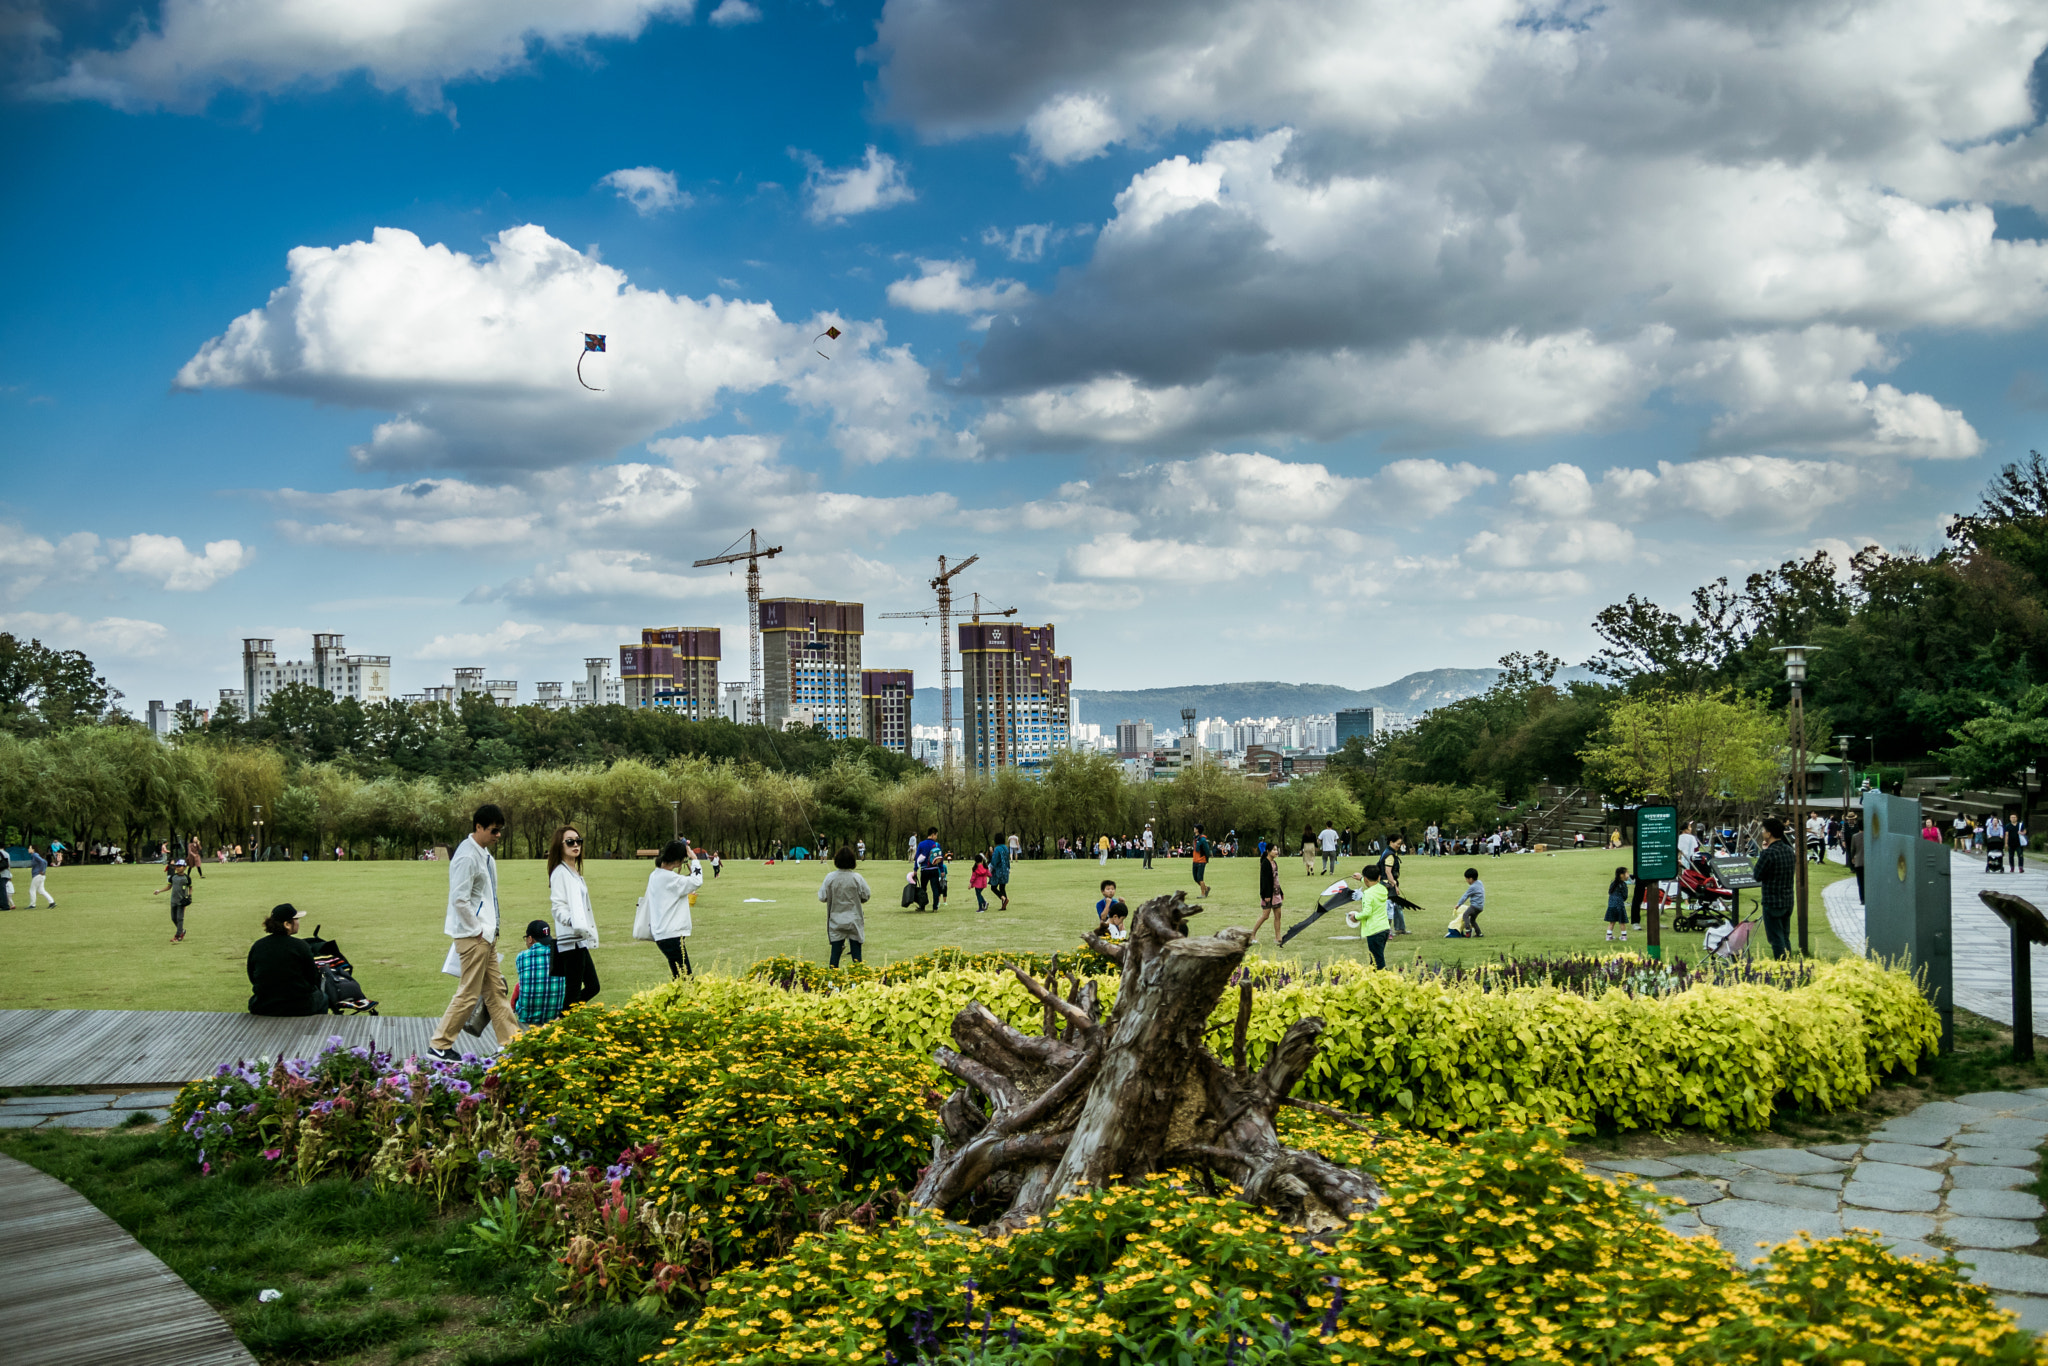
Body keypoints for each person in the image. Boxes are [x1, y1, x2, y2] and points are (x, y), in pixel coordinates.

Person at [430, 805, 520, 1062]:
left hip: (486, 936)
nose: (498, 835)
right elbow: (459, 899)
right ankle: (439, 1045)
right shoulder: (467, 856)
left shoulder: (483, 853)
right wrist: (477, 930)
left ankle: (511, 1043)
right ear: (478, 827)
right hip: (474, 937)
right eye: (494, 830)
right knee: (469, 993)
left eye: (500, 830)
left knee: (495, 991)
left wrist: (490, 930)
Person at [548, 825, 601, 1007]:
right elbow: (557, 907)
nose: (575, 845)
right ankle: (563, 1025)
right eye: (570, 842)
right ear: (560, 845)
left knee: (593, 986)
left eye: (578, 841)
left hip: (580, 938)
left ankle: (566, 1021)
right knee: (573, 989)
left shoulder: (574, 873)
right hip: (570, 938)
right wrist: (572, 921)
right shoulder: (560, 873)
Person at [246, 903, 327, 1015]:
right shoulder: (301, 946)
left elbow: (253, 977)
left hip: (263, 1006)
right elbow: (312, 978)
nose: (298, 922)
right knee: (324, 998)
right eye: (296, 919)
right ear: (287, 924)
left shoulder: (258, 946)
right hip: (300, 1006)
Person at [645, 838, 703, 978]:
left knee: (680, 978)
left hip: (662, 934)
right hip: (671, 935)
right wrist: (694, 860)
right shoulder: (670, 879)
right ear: (677, 861)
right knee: (686, 980)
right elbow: (697, 881)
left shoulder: (655, 875)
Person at [818, 846, 870, 966]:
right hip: (854, 920)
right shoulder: (857, 878)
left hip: (836, 921)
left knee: (835, 956)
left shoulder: (830, 877)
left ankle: (832, 983)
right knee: (857, 957)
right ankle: (857, 982)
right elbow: (866, 896)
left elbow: (822, 897)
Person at [1755, 817, 1797, 960]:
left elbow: (1757, 875)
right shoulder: (1789, 851)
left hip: (1772, 901)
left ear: (1769, 833)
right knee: (1785, 936)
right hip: (1788, 900)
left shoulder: (1768, 853)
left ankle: (1783, 966)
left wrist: (1763, 852)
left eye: (1763, 830)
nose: (1762, 832)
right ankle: (1789, 964)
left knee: (1775, 938)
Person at [510, 920, 566, 1025]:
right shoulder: (561, 954)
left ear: (530, 939)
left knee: (519, 987)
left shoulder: (522, 957)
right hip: (556, 1016)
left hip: (528, 1018)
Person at [1353, 864, 1391, 969]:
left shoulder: (1368, 893)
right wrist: (1361, 878)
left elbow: (1367, 913)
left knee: (1378, 962)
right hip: (1384, 929)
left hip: (1374, 931)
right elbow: (1374, 884)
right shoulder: (1383, 889)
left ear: (1366, 879)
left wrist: (1355, 916)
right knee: (1374, 960)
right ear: (1379, 877)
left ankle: (1385, 981)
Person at [1250, 843, 1285, 945]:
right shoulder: (1265, 863)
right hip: (1268, 895)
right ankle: (1252, 934)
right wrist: (1266, 895)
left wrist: (1281, 892)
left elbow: (1276, 879)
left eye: (1276, 849)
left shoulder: (1274, 863)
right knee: (1265, 915)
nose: (1276, 851)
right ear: (1268, 851)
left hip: (1276, 893)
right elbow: (1264, 881)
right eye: (1274, 850)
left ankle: (1278, 937)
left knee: (1278, 915)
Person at [152, 858, 193, 942]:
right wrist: (159, 891)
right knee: (173, 918)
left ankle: (178, 936)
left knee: (180, 918)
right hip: (173, 900)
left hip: (182, 901)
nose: (178, 868)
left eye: (180, 866)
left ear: (185, 867)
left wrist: (189, 896)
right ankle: (181, 931)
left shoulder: (187, 878)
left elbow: (190, 887)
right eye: (177, 866)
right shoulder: (173, 877)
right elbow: (168, 887)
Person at [1376, 838, 1408, 935]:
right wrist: (1394, 885)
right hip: (1387, 884)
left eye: (1400, 844)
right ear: (1391, 842)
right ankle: (1388, 930)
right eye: (1397, 843)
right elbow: (1388, 872)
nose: (1398, 846)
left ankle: (1400, 928)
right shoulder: (1390, 855)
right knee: (1389, 907)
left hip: (1385, 882)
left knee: (1397, 906)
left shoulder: (1388, 852)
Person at [916, 827, 944, 912]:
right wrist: (942, 870)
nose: (936, 837)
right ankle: (935, 907)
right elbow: (940, 859)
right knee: (935, 889)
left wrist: (915, 869)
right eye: (936, 835)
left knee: (923, 889)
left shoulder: (921, 844)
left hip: (924, 870)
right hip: (934, 869)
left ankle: (922, 906)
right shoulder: (936, 845)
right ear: (933, 834)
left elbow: (917, 858)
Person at [1452, 868, 1484, 937]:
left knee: (1465, 915)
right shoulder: (1480, 882)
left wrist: (1458, 904)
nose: (1466, 881)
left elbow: (1465, 896)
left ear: (1471, 879)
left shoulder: (1472, 887)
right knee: (1472, 920)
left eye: (1466, 879)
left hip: (1475, 906)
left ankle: (1468, 931)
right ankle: (1479, 933)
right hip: (1480, 907)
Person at [1605, 868, 1631, 943]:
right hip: (1620, 905)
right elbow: (1625, 896)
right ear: (1621, 875)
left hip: (1611, 905)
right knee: (1622, 921)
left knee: (1612, 922)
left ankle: (1609, 936)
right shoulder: (1623, 884)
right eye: (1627, 873)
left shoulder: (1613, 883)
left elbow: (1610, 892)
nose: (1628, 875)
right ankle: (1624, 936)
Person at [988, 834, 1012, 911]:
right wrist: (1008, 868)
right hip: (1005, 870)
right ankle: (1004, 905)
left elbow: (994, 861)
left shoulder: (997, 849)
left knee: (993, 887)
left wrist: (990, 869)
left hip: (998, 871)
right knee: (1002, 887)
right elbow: (1007, 859)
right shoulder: (1005, 848)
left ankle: (1004, 899)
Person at [1848, 814, 1865, 904]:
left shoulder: (1855, 837)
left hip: (1858, 861)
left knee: (1860, 882)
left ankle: (1862, 899)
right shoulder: (1871, 837)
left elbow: (1852, 849)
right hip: (1869, 863)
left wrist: (1852, 858)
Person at [1192, 824, 1212, 898]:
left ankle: (1203, 894)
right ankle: (1206, 888)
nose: (1194, 829)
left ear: (1198, 830)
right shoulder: (1195, 838)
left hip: (1201, 861)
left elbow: (1207, 850)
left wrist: (1206, 859)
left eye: (1195, 828)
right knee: (1195, 878)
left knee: (1200, 878)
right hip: (1195, 860)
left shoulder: (1202, 839)